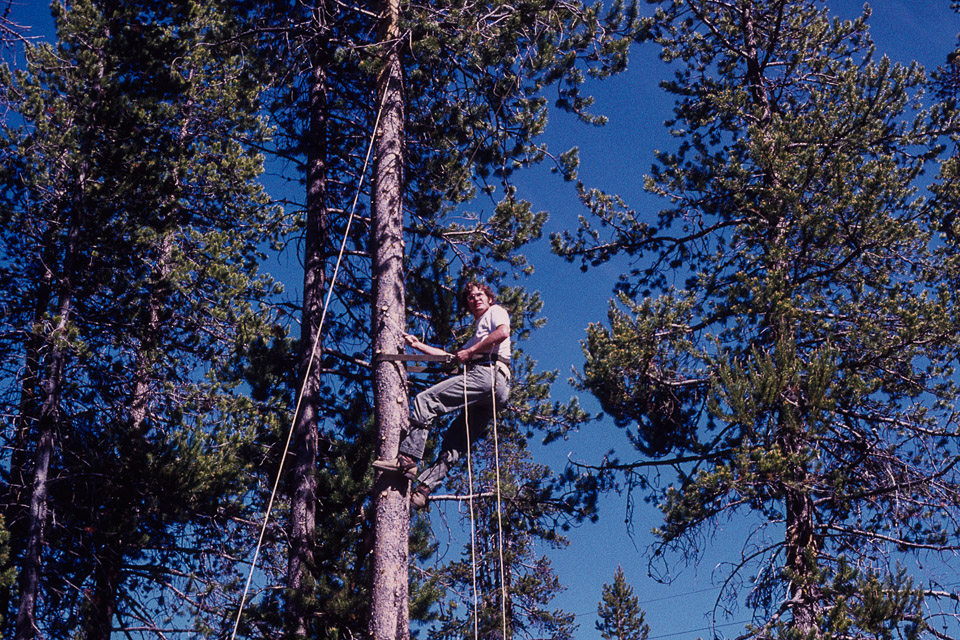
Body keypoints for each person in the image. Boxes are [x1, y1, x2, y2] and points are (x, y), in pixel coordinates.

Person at [373, 281, 511, 510]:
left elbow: (503, 332)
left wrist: (471, 352)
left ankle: (407, 459)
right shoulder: (477, 336)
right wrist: (420, 346)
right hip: (497, 390)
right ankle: (424, 489)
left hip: (489, 376)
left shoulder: (496, 313)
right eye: (470, 297)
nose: (475, 299)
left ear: (489, 299)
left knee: (425, 400)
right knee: (456, 442)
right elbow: (451, 357)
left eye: (479, 295)